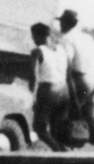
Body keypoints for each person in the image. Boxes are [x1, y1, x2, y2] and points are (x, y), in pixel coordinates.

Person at [30, 22, 71, 150]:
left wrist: (32, 96)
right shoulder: (62, 49)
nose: (33, 40)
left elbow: (32, 76)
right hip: (64, 91)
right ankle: (57, 162)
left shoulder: (37, 51)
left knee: (39, 128)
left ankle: (59, 152)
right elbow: (68, 73)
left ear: (40, 36)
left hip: (48, 91)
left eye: (34, 36)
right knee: (55, 130)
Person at [58, 10, 94, 140]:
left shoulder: (66, 39)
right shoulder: (87, 37)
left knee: (63, 111)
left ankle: (63, 143)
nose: (60, 25)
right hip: (91, 78)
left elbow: (66, 65)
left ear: (68, 23)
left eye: (62, 22)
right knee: (88, 112)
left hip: (79, 79)